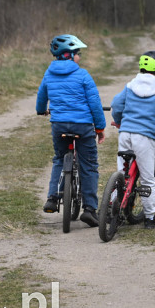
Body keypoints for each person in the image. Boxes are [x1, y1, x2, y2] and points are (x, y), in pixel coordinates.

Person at [36, 33, 106, 227]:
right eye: (78, 53)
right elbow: (95, 104)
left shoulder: (49, 74)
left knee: (59, 158)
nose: (80, 57)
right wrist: (100, 128)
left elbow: (41, 97)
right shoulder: (83, 75)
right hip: (82, 126)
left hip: (58, 125)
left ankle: (52, 198)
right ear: (70, 55)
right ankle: (89, 209)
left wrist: (41, 110)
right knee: (88, 165)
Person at [109, 50, 155, 229]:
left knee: (121, 173)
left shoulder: (131, 85)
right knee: (147, 179)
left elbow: (116, 104)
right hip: (144, 137)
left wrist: (119, 121)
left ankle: (111, 208)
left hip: (125, 133)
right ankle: (149, 218)